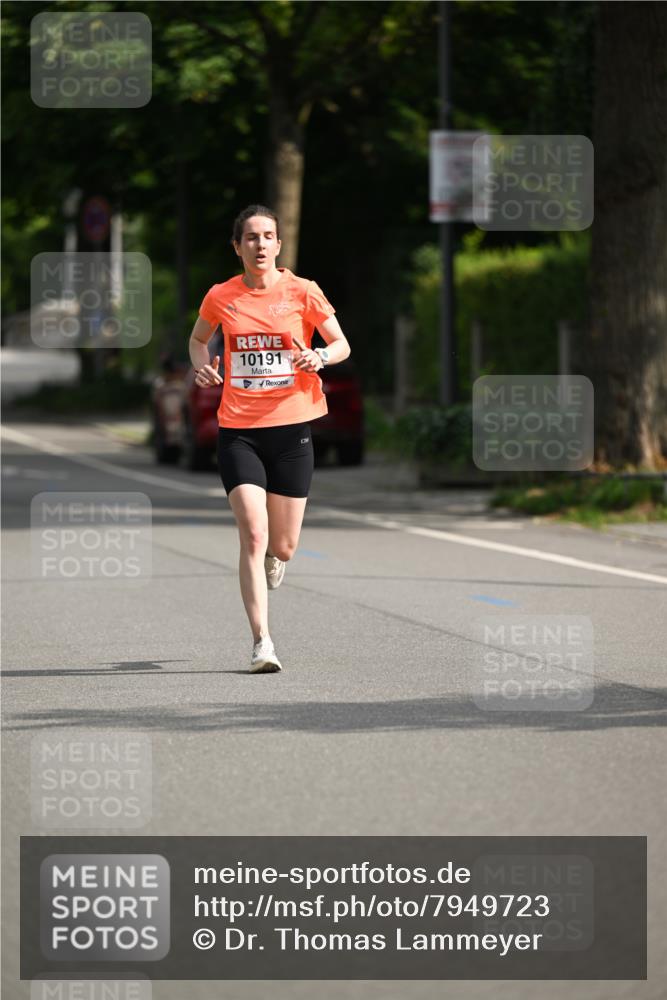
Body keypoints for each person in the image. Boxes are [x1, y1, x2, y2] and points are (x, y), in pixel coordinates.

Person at [189, 204, 351, 673]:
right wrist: (202, 366)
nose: (260, 244)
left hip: (291, 429)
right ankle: (262, 642)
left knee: (283, 546)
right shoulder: (221, 296)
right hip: (239, 432)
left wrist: (320, 357)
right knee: (254, 534)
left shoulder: (303, 291)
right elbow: (198, 340)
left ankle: (277, 559)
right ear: (237, 247)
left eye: (267, 236)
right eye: (251, 237)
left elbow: (341, 343)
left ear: (278, 244)